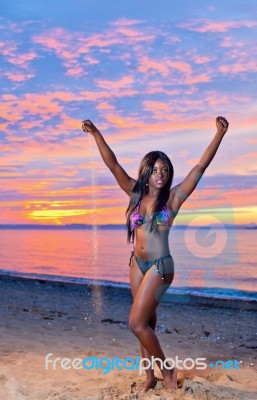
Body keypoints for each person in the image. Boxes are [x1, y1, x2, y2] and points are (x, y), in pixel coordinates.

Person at [81, 116, 229, 393]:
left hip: (161, 266)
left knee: (136, 323)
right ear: (147, 172)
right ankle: (149, 377)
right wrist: (97, 133)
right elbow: (112, 164)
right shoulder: (134, 194)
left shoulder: (174, 199)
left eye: (165, 170)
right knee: (146, 322)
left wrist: (219, 133)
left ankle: (167, 369)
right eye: (155, 169)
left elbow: (200, 167)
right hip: (136, 264)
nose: (160, 174)